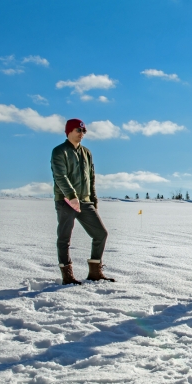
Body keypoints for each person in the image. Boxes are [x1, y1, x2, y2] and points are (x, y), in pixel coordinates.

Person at [51, 119, 115, 284]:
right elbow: (60, 176)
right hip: (66, 200)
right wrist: (71, 196)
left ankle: (95, 271)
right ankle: (67, 275)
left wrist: (93, 200)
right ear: (69, 131)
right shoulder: (59, 151)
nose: (81, 134)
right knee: (64, 237)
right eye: (78, 130)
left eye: (83, 131)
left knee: (100, 233)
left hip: (85, 201)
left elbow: (91, 178)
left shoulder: (86, 152)